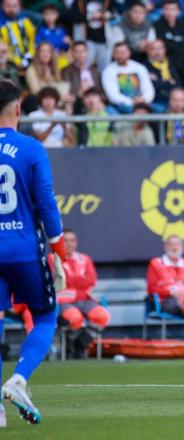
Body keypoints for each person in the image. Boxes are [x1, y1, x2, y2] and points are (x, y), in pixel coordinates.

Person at [0, 78, 65, 425]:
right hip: (24, 249)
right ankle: (19, 379)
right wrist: (60, 252)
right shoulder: (30, 148)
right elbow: (46, 204)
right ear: (18, 109)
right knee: (44, 317)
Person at [47, 229, 110, 358]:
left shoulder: (85, 259)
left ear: (76, 243)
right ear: (59, 242)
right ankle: (69, 349)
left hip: (84, 299)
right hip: (63, 301)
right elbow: (59, 279)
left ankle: (80, 345)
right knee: (75, 318)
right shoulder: (53, 258)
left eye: (72, 240)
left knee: (102, 315)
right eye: (65, 240)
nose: (69, 244)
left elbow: (91, 280)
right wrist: (79, 280)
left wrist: (70, 280)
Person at [146, 235, 184, 340]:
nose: (174, 247)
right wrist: (170, 292)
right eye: (171, 244)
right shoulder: (156, 263)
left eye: (177, 244)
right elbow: (151, 288)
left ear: (182, 247)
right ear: (165, 247)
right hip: (167, 301)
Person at [102, 42, 155, 114]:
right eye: (116, 53)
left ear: (129, 53)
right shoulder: (108, 71)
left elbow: (148, 89)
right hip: (121, 105)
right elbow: (113, 96)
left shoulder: (139, 67)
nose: (119, 55)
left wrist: (144, 99)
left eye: (122, 52)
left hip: (142, 103)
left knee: (160, 110)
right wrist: (132, 102)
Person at [144, 39, 183, 113]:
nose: (157, 52)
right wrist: (169, 82)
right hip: (157, 102)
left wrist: (160, 81)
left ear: (164, 50)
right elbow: (152, 87)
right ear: (147, 51)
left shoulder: (172, 64)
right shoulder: (144, 67)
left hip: (175, 101)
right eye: (153, 49)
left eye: (160, 48)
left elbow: (178, 83)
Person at [154, 0, 184, 77]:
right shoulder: (157, 26)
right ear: (162, 11)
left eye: (172, 9)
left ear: (178, 11)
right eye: (167, 9)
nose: (169, 13)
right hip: (167, 66)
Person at [0, 0, 35, 69]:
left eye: (15, 6)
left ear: (20, 7)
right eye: (8, 5)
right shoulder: (1, 25)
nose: (11, 9)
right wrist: (17, 61)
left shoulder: (26, 22)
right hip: (8, 62)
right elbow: (2, 48)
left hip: (29, 60)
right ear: (2, 6)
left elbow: (33, 40)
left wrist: (29, 55)